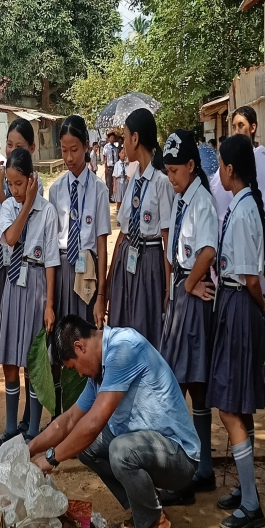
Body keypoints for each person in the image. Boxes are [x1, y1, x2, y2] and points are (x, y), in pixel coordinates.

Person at [29, 316, 200, 528]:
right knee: (88, 447)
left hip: (179, 457)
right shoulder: (99, 372)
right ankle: (143, 510)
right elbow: (69, 421)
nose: (78, 372)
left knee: (120, 450)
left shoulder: (123, 348)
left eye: (74, 366)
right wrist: (28, 449)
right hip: (147, 449)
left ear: (79, 346)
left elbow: (93, 422)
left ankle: (157, 524)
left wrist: (51, 458)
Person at [206, 135, 265, 528]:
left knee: (230, 406)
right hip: (234, 303)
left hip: (239, 305)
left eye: (220, 165)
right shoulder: (242, 205)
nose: (219, 172)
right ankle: (245, 488)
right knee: (238, 404)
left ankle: (251, 501)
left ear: (231, 169)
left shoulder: (245, 210)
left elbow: (250, 278)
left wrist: (263, 306)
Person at [157, 131, 218, 505]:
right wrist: (181, 287)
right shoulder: (182, 199)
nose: (171, 178)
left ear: (192, 167)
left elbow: (208, 249)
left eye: (176, 171)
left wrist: (191, 283)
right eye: (168, 171)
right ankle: (199, 468)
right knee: (187, 383)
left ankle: (191, 472)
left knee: (187, 385)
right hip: (183, 292)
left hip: (192, 298)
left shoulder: (202, 202)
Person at [0, 148, 59, 447]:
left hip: (37, 287)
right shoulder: (7, 209)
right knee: (9, 361)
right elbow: (12, 238)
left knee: (32, 360)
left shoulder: (48, 211)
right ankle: (10, 428)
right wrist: (25, 204)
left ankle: (31, 429)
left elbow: (52, 259)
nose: (14, 190)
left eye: (19, 184)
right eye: (10, 184)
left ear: (31, 179)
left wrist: (50, 304)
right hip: (13, 287)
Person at [0, 120, 41, 437]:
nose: (11, 150)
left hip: (25, 275)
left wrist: (4, 187)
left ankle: (27, 422)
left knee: (24, 349)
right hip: (1, 268)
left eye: (18, 145)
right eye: (8, 143)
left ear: (31, 149)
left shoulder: (24, 188)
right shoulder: (2, 180)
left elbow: (16, 219)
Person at [106, 108, 172, 348]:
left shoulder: (161, 182)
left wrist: (167, 287)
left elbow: (167, 238)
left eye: (124, 137)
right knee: (124, 329)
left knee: (145, 330)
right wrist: (110, 278)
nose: (122, 144)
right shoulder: (135, 178)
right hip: (128, 261)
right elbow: (123, 232)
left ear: (135, 138)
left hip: (150, 262)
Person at [48, 115, 111, 332]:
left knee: (85, 336)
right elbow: (51, 241)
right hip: (63, 268)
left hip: (88, 270)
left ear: (85, 146)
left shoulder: (99, 189)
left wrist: (102, 294)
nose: (69, 157)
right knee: (61, 337)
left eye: (74, 149)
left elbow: (101, 245)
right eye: (64, 150)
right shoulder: (55, 190)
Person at [111, 147, 127, 214]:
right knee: (119, 200)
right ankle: (118, 215)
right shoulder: (117, 164)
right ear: (119, 154)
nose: (123, 154)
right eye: (122, 153)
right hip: (119, 182)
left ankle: (123, 215)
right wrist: (114, 186)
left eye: (124, 153)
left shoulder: (127, 163)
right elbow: (114, 176)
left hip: (126, 182)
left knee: (125, 200)